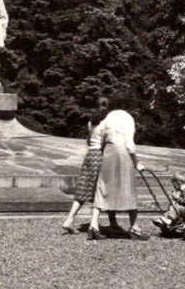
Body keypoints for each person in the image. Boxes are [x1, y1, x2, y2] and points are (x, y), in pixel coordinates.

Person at [86, 108, 149, 241]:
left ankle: (93, 225)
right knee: (128, 188)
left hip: (108, 151)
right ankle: (134, 227)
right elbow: (130, 143)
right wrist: (137, 162)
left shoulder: (108, 117)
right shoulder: (128, 118)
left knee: (102, 186)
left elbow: (100, 136)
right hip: (122, 152)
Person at [60, 96, 111, 234]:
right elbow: (106, 143)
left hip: (89, 155)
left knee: (83, 189)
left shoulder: (91, 122)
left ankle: (69, 220)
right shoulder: (106, 123)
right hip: (100, 156)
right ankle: (95, 224)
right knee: (99, 190)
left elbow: (89, 141)